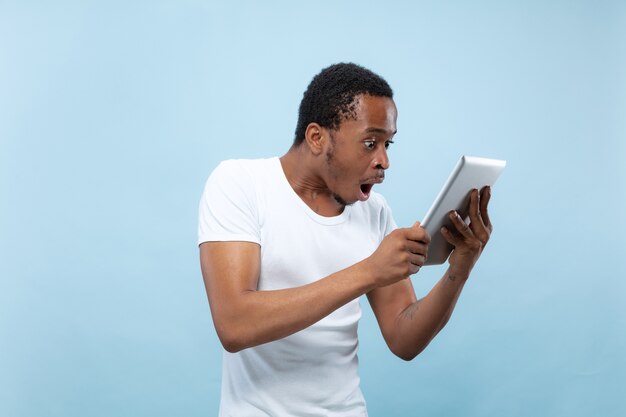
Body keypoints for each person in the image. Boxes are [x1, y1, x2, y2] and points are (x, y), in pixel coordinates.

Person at [198, 63, 493, 416]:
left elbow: (404, 338)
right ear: (317, 137)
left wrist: (459, 270)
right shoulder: (240, 184)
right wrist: (369, 271)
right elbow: (235, 324)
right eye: (370, 142)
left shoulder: (375, 212)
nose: (383, 160)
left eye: (388, 143)